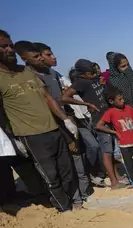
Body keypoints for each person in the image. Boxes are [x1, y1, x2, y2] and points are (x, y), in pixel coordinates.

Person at [0, 29, 79, 212]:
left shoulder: (26, 71)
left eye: (11, 45)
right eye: (4, 47)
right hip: (31, 135)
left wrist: (65, 119)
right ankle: (64, 210)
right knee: (50, 175)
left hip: (53, 128)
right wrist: (12, 139)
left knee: (67, 171)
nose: (10, 50)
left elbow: (47, 97)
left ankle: (68, 201)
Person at [28, 42, 92, 203]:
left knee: (77, 160)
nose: (54, 57)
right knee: (60, 168)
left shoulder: (53, 74)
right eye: (48, 54)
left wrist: (71, 120)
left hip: (66, 123)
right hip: (50, 128)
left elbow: (62, 100)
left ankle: (81, 196)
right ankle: (69, 199)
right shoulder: (30, 77)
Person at [62, 59, 123, 190]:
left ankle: (117, 176)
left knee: (111, 150)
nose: (94, 73)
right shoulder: (81, 83)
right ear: (82, 74)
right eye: (91, 72)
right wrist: (86, 104)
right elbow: (64, 98)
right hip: (100, 120)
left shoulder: (95, 79)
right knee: (106, 152)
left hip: (109, 117)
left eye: (94, 70)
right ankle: (113, 182)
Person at [95, 87, 133, 190]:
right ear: (111, 101)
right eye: (119, 99)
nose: (123, 101)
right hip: (124, 144)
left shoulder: (128, 108)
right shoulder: (110, 112)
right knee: (129, 164)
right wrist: (114, 132)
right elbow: (99, 125)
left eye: (122, 98)